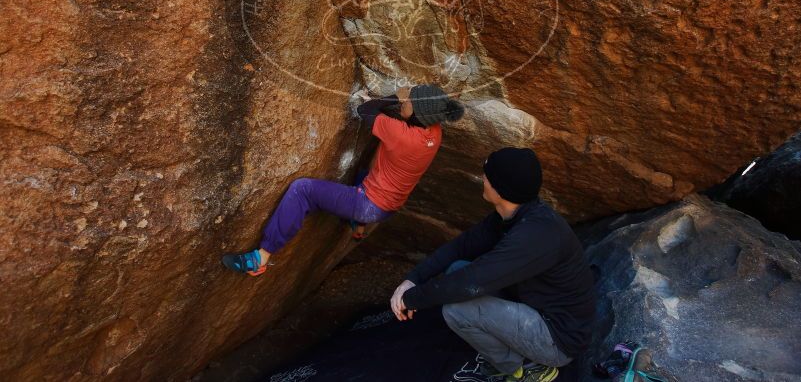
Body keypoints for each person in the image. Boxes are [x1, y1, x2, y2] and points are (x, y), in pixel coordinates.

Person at [390, 147, 596, 382]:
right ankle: (516, 356)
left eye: (487, 175)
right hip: (534, 303)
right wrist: (412, 279)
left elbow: (470, 284)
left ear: (501, 190)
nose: (483, 179)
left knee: (456, 309)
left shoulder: (534, 235)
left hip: (558, 339)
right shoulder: (512, 216)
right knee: (457, 267)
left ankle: (524, 368)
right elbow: (462, 246)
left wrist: (411, 299)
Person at [221, 84, 464, 276]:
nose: (405, 99)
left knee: (302, 190)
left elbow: (365, 111)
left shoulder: (403, 136)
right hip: (390, 205)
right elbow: (404, 117)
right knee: (366, 171)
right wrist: (407, 102)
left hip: (368, 204)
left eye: (409, 100)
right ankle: (358, 228)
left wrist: (393, 96)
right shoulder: (434, 132)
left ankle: (260, 258)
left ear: (418, 113)